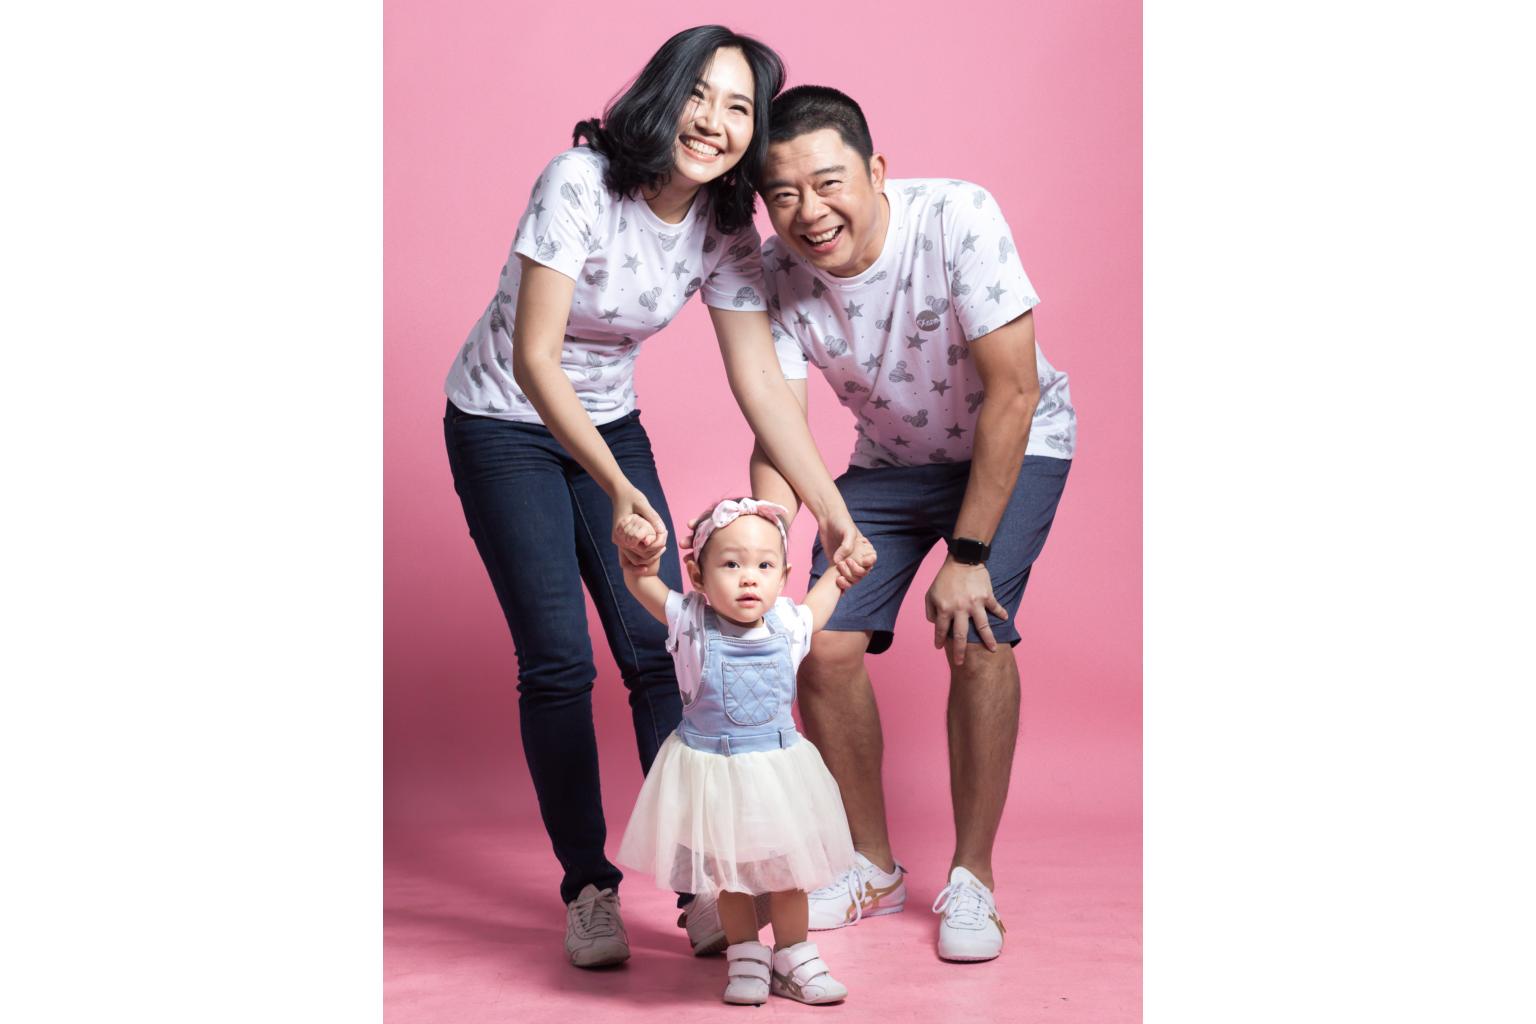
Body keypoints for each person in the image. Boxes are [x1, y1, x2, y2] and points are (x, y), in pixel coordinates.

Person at [441, 30, 869, 969]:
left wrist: (828, 504)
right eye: (698, 96)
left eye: (739, 108)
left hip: (608, 424)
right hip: (504, 421)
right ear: (663, 94)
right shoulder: (579, 183)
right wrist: (619, 486)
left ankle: (699, 885)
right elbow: (535, 357)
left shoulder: (722, 225)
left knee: (661, 649)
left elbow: (759, 379)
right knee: (558, 661)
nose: (713, 123)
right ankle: (588, 889)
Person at [747, 85, 1078, 963]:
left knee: (978, 630)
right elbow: (780, 429)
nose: (810, 212)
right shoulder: (772, 271)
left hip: (1013, 442)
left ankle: (973, 878)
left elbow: (1015, 391)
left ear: (876, 171)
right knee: (822, 643)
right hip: (891, 461)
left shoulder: (955, 216)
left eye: (829, 183)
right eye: (784, 194)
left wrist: (968, 554)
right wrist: (763, 540)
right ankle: (872, 867)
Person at [615, 498, 854, 1006]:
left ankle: (794, 956)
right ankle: (745, 954)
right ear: (697, 576)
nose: (749, 578)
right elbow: (640, 582)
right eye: (730, 564)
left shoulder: (788, 623)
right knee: (731, 877)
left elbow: (824, 596)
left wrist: (841, 567)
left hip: (778, 774)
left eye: (765, 566)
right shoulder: (689, 621)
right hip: (714, 775)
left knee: (788, 873)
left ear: (784, 576)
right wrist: (638, 555)